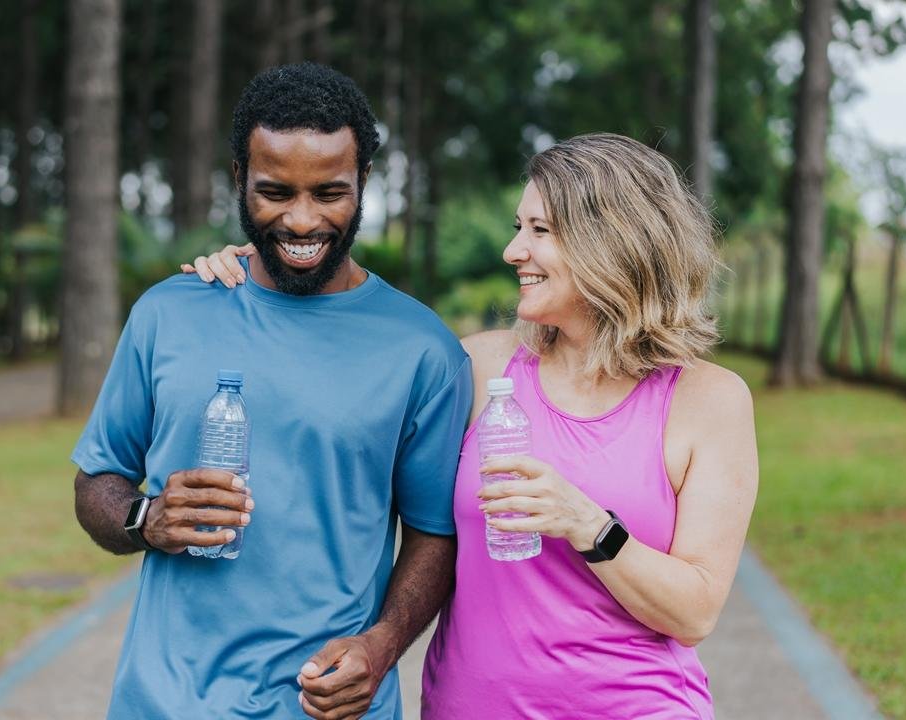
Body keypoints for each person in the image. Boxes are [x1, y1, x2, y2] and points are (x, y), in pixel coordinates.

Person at [184, 132, 760, 719]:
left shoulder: (708, 401)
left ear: (613, 242)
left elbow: (696, 613)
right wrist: (257, 277)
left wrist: (589, 525)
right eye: (519, 227)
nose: (513, 251)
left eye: (539, 231)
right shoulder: (480, 368)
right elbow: (338, 386)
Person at [72, 63, 472, 720]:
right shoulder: (168, 313)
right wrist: (147, 519)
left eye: (330, 192)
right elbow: (96, 482)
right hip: (165, 702)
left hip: (328, 707)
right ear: (238, 179)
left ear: (365, 182)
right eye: (275, 192)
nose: (303, 220)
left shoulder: (422, 349)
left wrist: (383, 644)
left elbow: (435, 534)